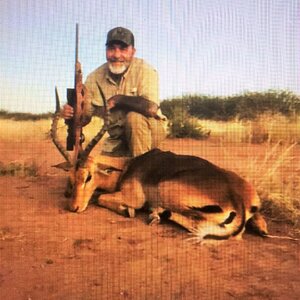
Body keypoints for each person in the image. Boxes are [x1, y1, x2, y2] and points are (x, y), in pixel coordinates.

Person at [62, 26, 167, 157]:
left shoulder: (145, 70)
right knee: (99, 172)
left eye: (123, 49)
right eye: (111, 49)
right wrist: (72, 113)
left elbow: (151, 108)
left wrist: (118, 99)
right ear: (106, 51)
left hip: (150, 131)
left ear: (133, 52)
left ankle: (142, 171)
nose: (116, 55)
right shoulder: (94, 77)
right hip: (117, 139)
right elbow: (85, 118)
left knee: (134, 119)